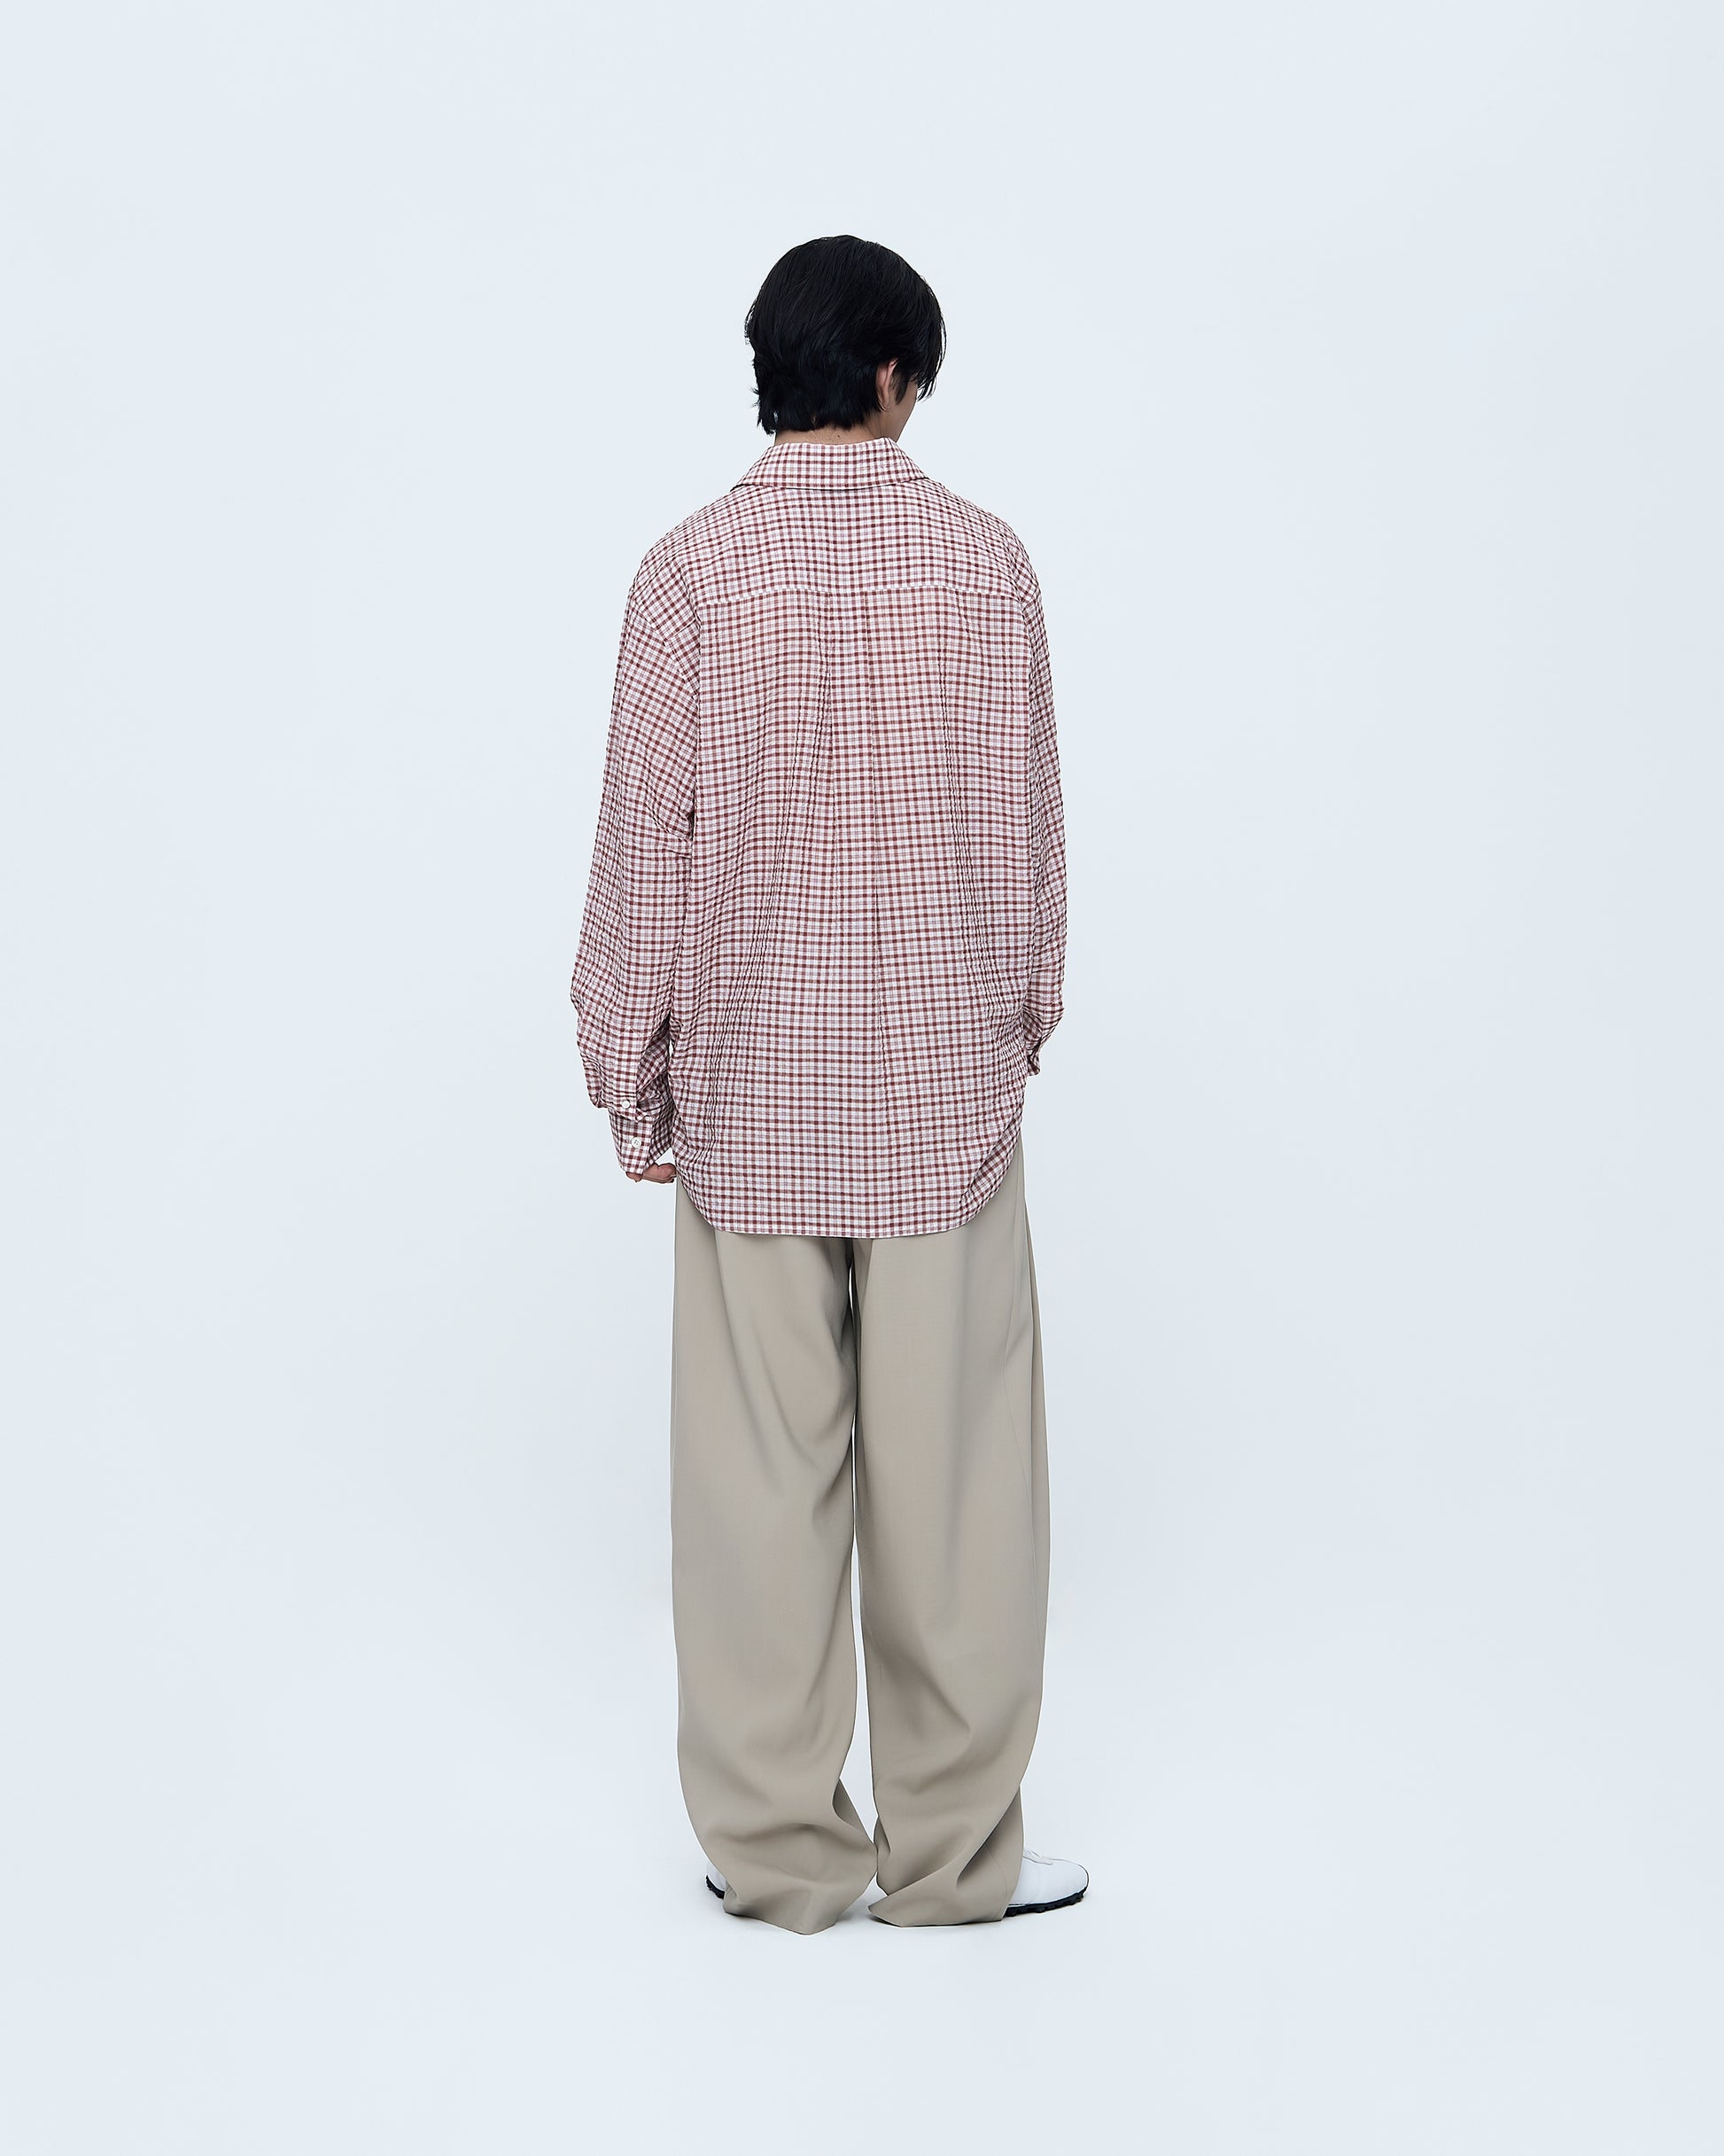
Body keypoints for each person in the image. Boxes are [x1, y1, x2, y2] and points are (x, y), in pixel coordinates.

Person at [570, 235, 1083, 1934]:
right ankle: (955, 1859)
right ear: (888, 377)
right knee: (962, 1500)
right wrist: (1017, 1023)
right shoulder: (985, 562)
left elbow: (644, 844)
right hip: (945, 1105)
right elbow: (1028, 834)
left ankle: (778, 1851)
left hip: (750, 1100)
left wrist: (630, 1067)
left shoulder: (686, 573)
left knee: (752, 1492)